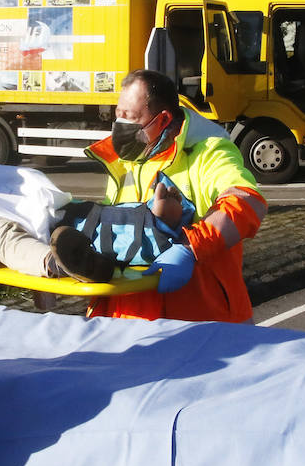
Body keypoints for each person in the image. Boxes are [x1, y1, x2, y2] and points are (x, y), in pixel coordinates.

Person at [84, 69, 267, 323]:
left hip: (201, 322)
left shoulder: (209, 152)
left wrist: (190, 247)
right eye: (118, 115)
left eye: (131, 117)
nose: (121, 125)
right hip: (127, 320)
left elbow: (248, 202)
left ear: (163, 118)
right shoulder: (126, 161)